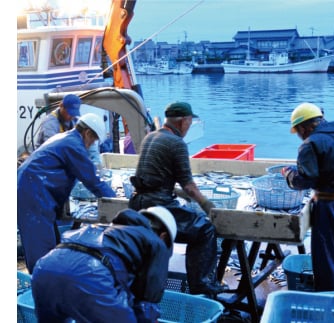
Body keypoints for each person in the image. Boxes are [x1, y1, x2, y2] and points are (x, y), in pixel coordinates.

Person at [128, 101, 227, 297]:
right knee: (205, 230)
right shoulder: (177, 143)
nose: (189, 127)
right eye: (190, 122)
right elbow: (189, 187)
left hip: (137, 202)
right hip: (159, 207)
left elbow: (157, 177)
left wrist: (177, 192)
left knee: (190, 225)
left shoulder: (150, 137)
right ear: (183, 121)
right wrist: (209, 207)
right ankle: (201, 286)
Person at [31, 206, 177, 322]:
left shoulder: (111, 229)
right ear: (163, 236)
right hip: (89, 274)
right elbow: (147, 300)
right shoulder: (157, 244)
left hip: (45, 267)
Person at [282, 102, 334, 295]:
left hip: (332, 207)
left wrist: (288, 174)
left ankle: (330, 308)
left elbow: (306, 180)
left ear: (305, 127)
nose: (299, 136)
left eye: (299, 131)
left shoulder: (310, 144)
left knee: (328, 264)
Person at [17, 113, 116, 274]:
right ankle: (40, 286)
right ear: (88, 133)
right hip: (32, 192)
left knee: (51, 242)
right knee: (41, 246)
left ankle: (46, 282)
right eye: (93, 140)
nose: (92, 144)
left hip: (33, 189)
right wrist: (117, 202)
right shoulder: (73, 145)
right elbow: (92, 180)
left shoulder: (67, 138)